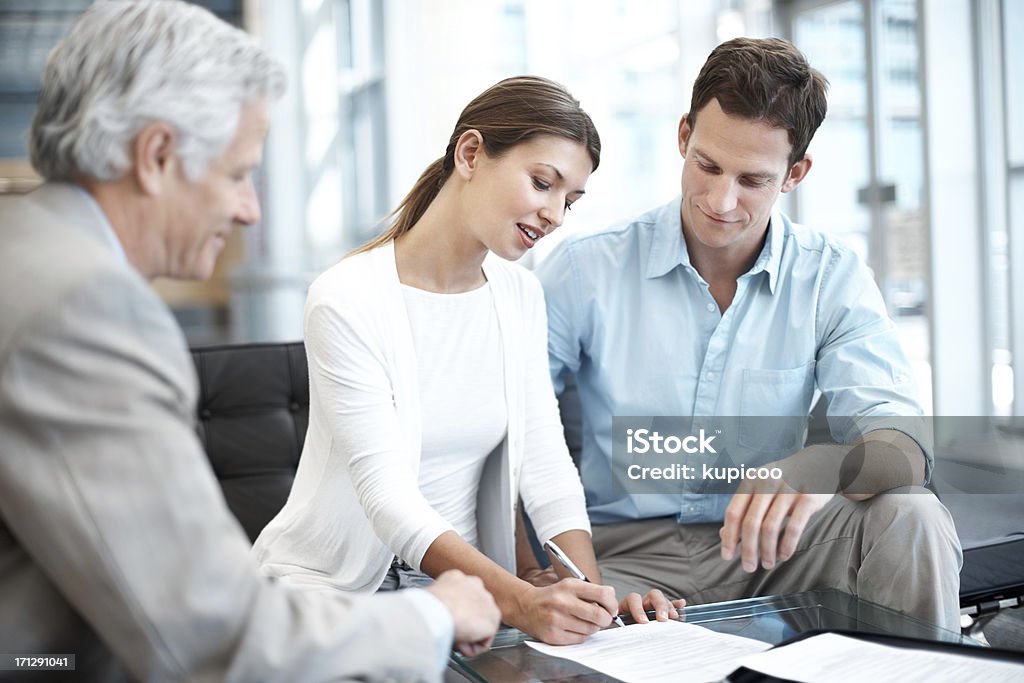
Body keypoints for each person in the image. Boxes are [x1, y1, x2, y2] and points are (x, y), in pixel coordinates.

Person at [0, 2, 499, 681]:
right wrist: (435, 614)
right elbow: (208, 633)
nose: (250, 209)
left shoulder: (25, 252)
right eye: (239, 173)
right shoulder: (88, 306)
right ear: (157, 155)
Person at [532, 37, 963, 632]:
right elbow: (510, 436)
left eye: (753, 179)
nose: (720, 200)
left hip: (773, 551)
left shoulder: (831, 275)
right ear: (684, 136)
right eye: (706, 165)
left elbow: (903, 448)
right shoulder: (583, 270)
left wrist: (819, 466)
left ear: (795, 174)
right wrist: (577, 581)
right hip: (621, 554)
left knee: (910, 514)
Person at [253, 75, 684, 645]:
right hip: (336, 597)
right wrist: (525, 603)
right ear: (471, 153)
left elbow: (547, 465)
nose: (555, 214)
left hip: (472, 597)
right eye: (542, 183)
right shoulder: (345, 298)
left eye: (570, 200)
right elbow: (389, 499)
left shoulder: (519, 294)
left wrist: (590, 603)